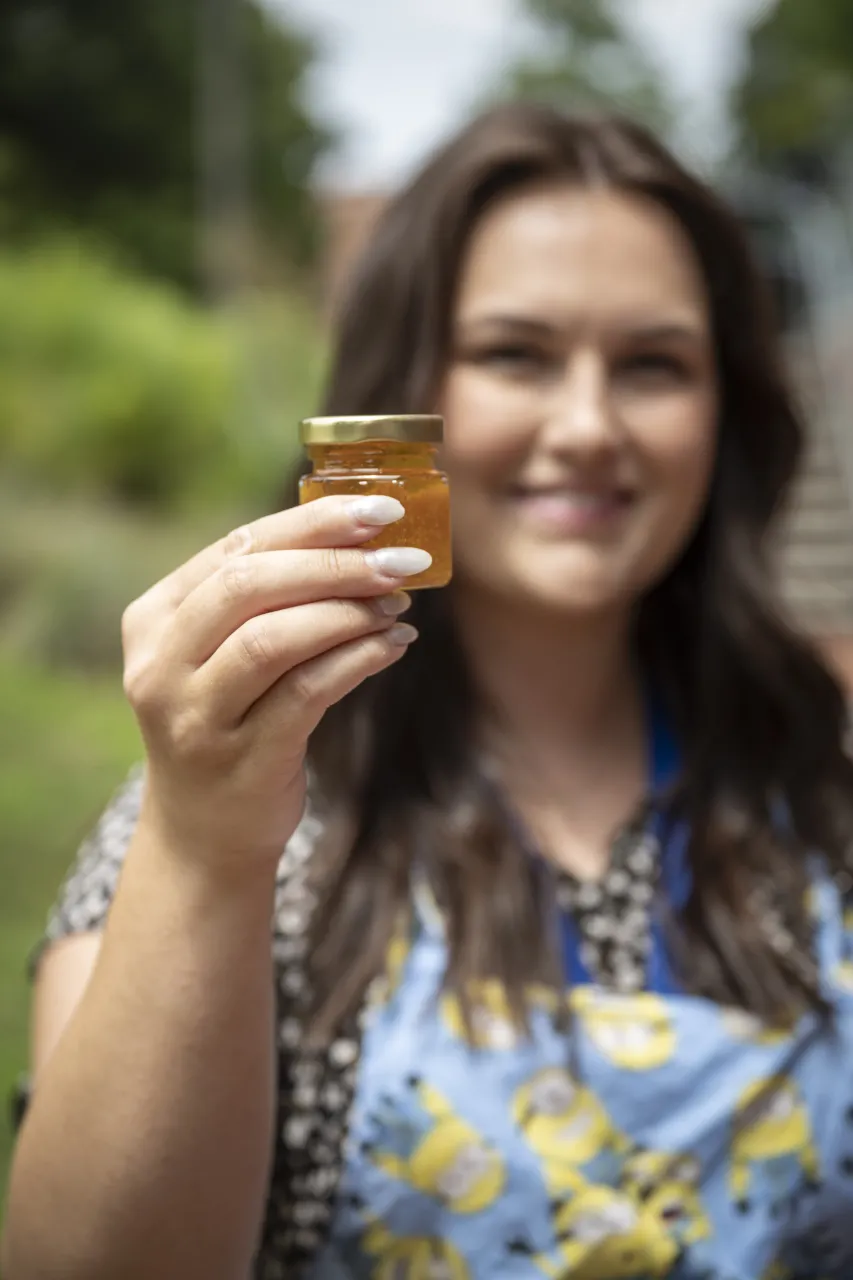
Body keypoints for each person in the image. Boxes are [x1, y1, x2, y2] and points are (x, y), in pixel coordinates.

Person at [4, 101, 853, 1280]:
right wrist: (204, 849)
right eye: (516, 353)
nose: (589, 423)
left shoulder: (819, 779)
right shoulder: (236, 816)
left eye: (653, 363)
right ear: (404, 391)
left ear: (727, 407)